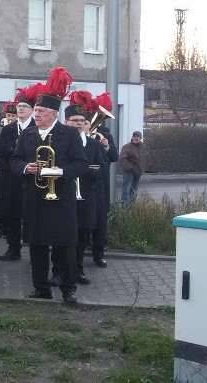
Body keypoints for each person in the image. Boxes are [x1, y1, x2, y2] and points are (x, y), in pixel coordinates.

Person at [9, 68, 88, 303]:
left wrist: (60, 171)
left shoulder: (70, 134)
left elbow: (81, 164)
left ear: (54, 114)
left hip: (61, 198)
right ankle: (41, 288)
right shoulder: (28, 135)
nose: (36, 115)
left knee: (65, 247)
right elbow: (14, 160)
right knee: (37, 246)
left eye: (41, 111)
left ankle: (68, 289)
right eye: (36, 111)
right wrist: (25, 168)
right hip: (34, 197)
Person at [60, 103, 103, 285]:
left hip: (86, 195)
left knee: (82, 235)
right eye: (74, 120)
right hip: (64, 195)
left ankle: (78, 269)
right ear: (66, 122)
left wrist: (86, 171)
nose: (79, 124)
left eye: (82, 121)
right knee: (61, 234)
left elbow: (101, 169)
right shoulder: (59, 141)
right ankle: (58, 271)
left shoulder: (93, 144)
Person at [0, 88, 37, 260]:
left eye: (24, 106)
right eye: (19, 106)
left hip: (31, 176)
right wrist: (14, 146)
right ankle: (13, 248)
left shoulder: (36, 127)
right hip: (11, 177)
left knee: (31, 214)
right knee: (12, 214)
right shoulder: (8, 129)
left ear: (32, 110)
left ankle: (35, 250)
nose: (20, 109)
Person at [93, 118, 118, 268]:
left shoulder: (105, 136)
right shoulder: (75, 136)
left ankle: (99, 254)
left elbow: (114, 156)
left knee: (100, 221)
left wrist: (107, 146)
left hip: (101, 184)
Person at [119, 131, 145, 203]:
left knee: (134, 191)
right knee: (126, 190)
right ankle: (124, 207)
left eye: (138, 136)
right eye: (134, 136)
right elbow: (122, 159)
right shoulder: (127, 147)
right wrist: (131, 167)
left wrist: (142, 169)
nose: (136, 138)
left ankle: (132, 208)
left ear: (140, 138)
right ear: (132, 137)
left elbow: (143, 158)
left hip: (138, 172)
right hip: (128, 172)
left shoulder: (142, 147)